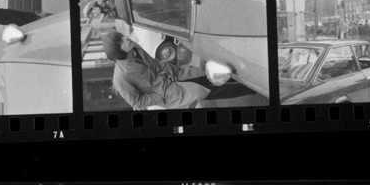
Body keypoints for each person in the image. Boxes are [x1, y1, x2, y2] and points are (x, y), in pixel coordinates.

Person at [100, 30, 257, 111]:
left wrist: (167, 67)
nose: (126, 38)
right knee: (217, 90)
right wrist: (160, 97)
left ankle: (253, 78)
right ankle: (256, 87)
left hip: (177, 73)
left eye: (122, 36)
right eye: (120, 42)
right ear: (117, 51)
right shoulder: (120, 78)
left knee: (212, 74)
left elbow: (154, 63)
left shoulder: (135, 48)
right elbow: (137, 102)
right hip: (173, 93)